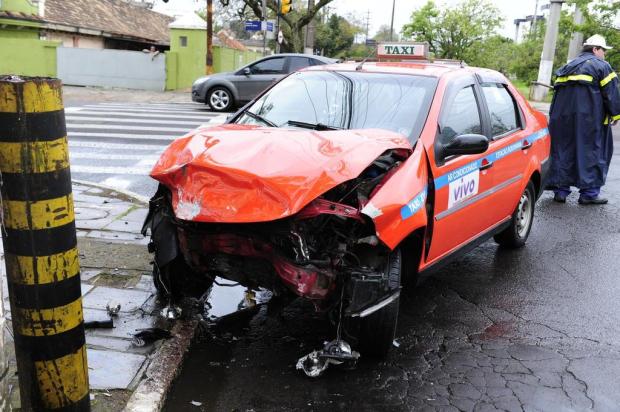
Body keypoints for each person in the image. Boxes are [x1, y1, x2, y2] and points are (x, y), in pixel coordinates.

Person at [548, 34, 620, 205]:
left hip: (561, 120)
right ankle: (589, 194)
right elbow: (611, 94)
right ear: (595, 49)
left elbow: (555, 96)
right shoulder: (601, 66)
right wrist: (616, 114)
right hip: (589, 120)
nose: (605, 54)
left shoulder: (567, 66)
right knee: (592, 152)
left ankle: (560, 191)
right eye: (603, 50)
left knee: (563, 151)